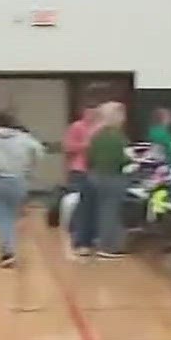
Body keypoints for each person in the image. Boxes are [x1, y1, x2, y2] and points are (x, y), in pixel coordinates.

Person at [0, 110, 44, 267]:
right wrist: (29, 169)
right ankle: (10, 244)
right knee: (11, 216)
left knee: (1, 217)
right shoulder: (24, 139)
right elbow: (39, 152)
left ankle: (8, 251)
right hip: (18, 180)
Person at [72, 102, 131, 259]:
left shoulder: (96, 135)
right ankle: (109, 247)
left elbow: (89, 157)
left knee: (94, 210)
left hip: (94, 175)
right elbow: (122, 159)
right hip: (112, 177)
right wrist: (130, 161)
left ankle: (88, 243)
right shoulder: (118, 136)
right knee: (110, 211)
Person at [59, 102, 100, 240]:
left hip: (95, 170)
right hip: (79, 169)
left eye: (95, 113)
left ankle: (91, 232)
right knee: (76, 200)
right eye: (89, 112)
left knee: (92, 203)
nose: (92, 116)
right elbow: (68, 146)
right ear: (84, 113)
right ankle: (74, 229)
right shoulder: (77, 127)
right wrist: (85, 145)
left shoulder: (100, 128)